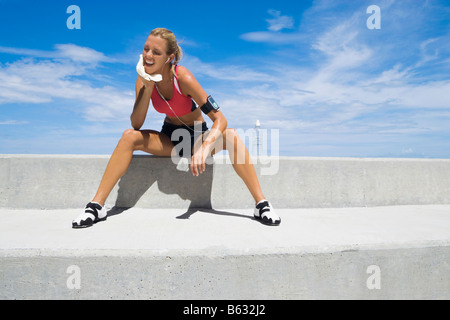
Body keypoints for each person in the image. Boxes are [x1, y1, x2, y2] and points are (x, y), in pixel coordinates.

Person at [72, 28, 281, 228]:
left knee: (232, 136)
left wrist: (206, 146)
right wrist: (148, 86)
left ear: (169, 57)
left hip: (197, 135)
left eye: (156, 52)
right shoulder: (142, 79)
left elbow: (221, 119)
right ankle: (96, 206)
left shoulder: (184, 78)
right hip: (170, 137)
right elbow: (136, 124)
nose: (148, 55)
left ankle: (261, 203)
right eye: (146, 49)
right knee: (128, 137)